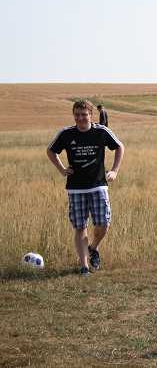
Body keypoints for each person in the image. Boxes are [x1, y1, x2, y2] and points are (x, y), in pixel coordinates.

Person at [46, 100, 125, 277]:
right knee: (80, 227)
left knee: (103, 223)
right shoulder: (66, 134)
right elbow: (51, 151)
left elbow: (120, 147)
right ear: (73, 115)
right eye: (77, 115)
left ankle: (93, 248)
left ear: (91, 115)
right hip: (76, 188)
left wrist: (114, 170)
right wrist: (62, 169)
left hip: (98, 185)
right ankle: (84, 267)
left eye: (84, 114)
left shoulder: (101, 131)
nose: (80, 118)